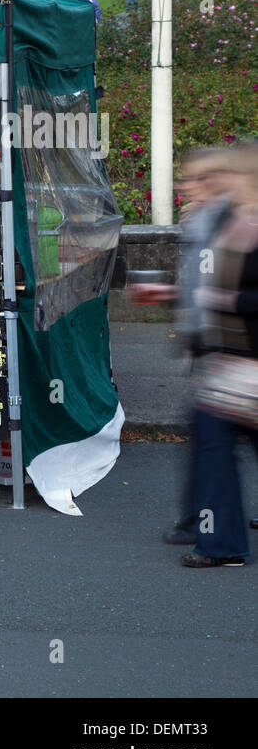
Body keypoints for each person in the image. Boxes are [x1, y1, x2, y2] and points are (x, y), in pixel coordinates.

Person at [131, 148, 237, 545]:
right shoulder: (207, 219)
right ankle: (204, 525)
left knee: (210, 443)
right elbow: (201, 286)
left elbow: (218, 288)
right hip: (217, 345)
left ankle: (207, 530)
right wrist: (170, 293)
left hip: (226, 347)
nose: (184, 186)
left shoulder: (224, 220)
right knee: (212, 442)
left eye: (193, 180)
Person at [180, 145, 258, 567]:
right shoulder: (234, 219)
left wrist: (228, 299)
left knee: (213, 449)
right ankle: (217, 540)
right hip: (229, 361)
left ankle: (220, 543)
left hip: (245, 364)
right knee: (211, 445)